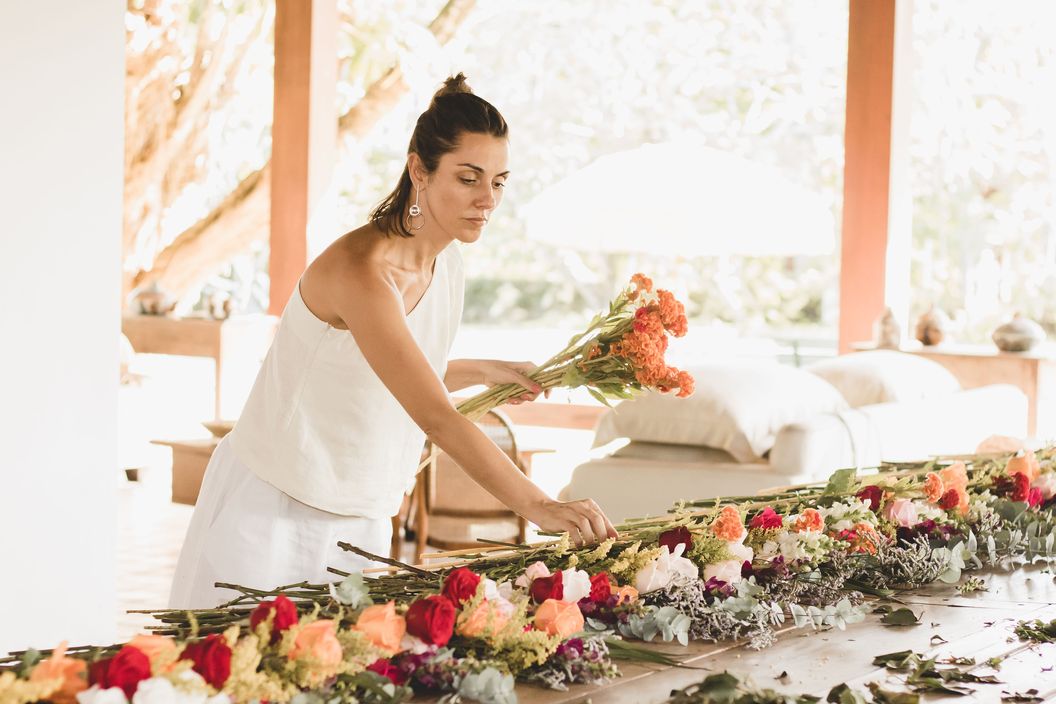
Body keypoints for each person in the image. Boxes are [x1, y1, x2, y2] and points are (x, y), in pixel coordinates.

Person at [169, 74, 618, 608]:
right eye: (469, 178)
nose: (487, 199)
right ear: (418, 170)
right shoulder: (361, 270)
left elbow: (377, 374)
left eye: (499, 181)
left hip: (362, 510)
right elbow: (435, 417)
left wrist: (479, 370)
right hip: (276, 504)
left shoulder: (446, 263)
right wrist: (541, 506)